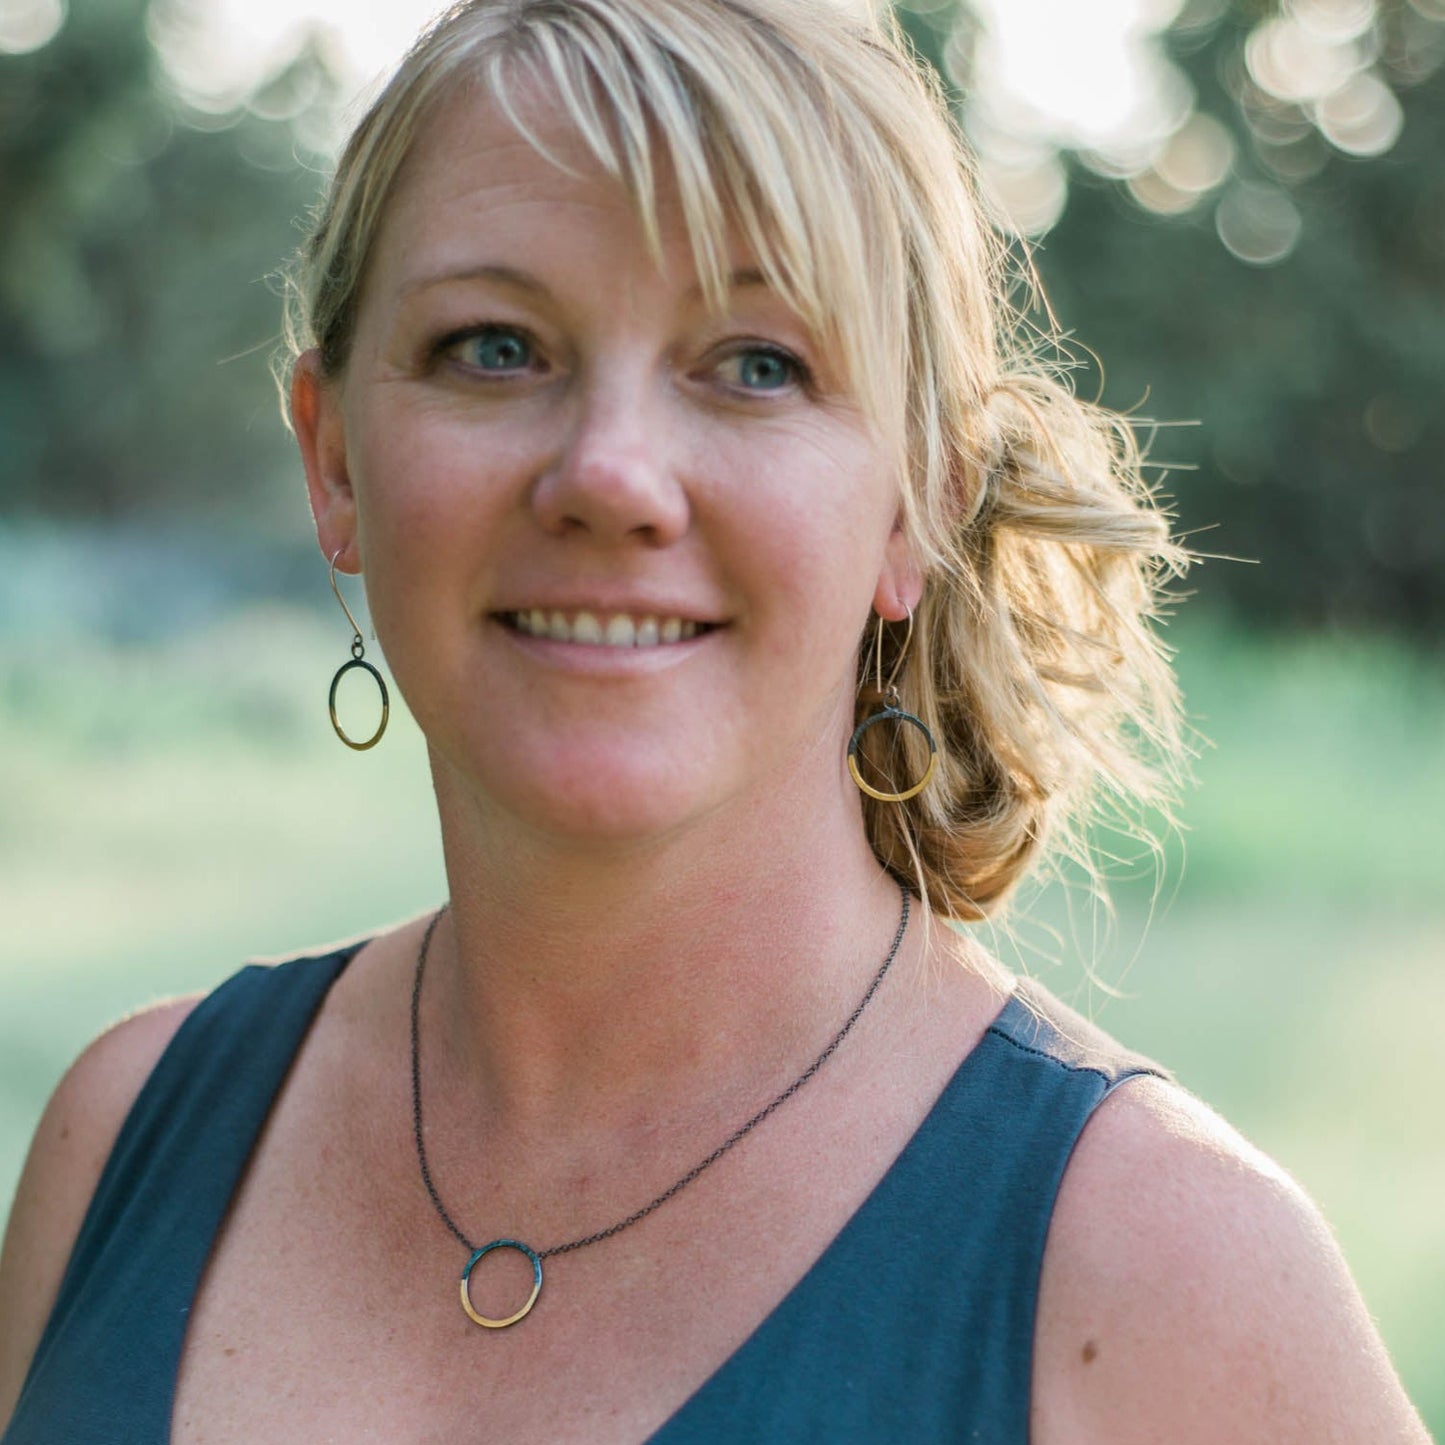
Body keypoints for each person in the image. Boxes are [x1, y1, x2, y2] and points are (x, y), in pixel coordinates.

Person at [0, 0, 1430, 1439]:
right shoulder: (128, 1134)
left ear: (921, 498)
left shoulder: (1170, 1276)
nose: (610, 473)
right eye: (495, 347)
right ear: (335, 465)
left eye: (756, 363)